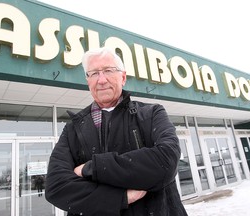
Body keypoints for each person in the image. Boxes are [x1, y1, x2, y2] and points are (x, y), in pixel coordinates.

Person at [45, 47, 188, 216]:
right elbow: (56, 187)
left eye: (108, 71)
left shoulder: (151, 113)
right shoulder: (73, 129)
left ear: (123, 77)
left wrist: (91, 169)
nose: (102, 80)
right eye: (94, 73)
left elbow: (167, 161)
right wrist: (121, 198)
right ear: (88, 81)